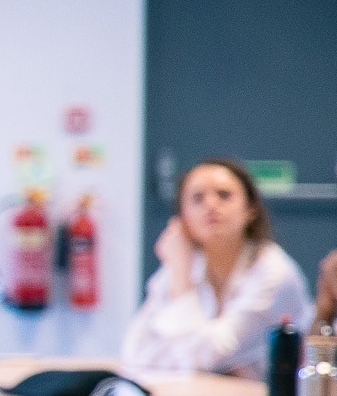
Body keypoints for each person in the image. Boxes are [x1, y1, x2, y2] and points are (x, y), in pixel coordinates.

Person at [121, 156, 308, 378]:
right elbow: (134, 354)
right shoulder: (187, 264)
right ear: (182, 218)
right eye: (197, 198)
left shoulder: (274, 273)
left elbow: (210, 356)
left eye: (224, 195)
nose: (210, 205)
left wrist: (181, 276)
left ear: (250, 209)